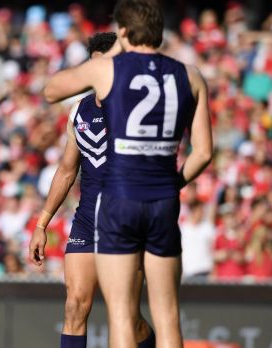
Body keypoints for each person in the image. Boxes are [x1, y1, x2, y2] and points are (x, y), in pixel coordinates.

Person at [42, 0, 213, 347]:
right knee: (167, 316)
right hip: (163, 201)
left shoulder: (109, 70)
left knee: (121, 314)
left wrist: (116, 48)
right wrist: (173, 182)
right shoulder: (191, 75)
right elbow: (205, 153)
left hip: (119, 201)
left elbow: (50, 90)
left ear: (122, 31)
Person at [29, 32, 155, 348]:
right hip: (87, 219)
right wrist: (41, 224)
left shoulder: (135, 108)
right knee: (74, 305)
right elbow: (67, 170)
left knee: (127, 315)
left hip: (127, 219)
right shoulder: (79, 111)